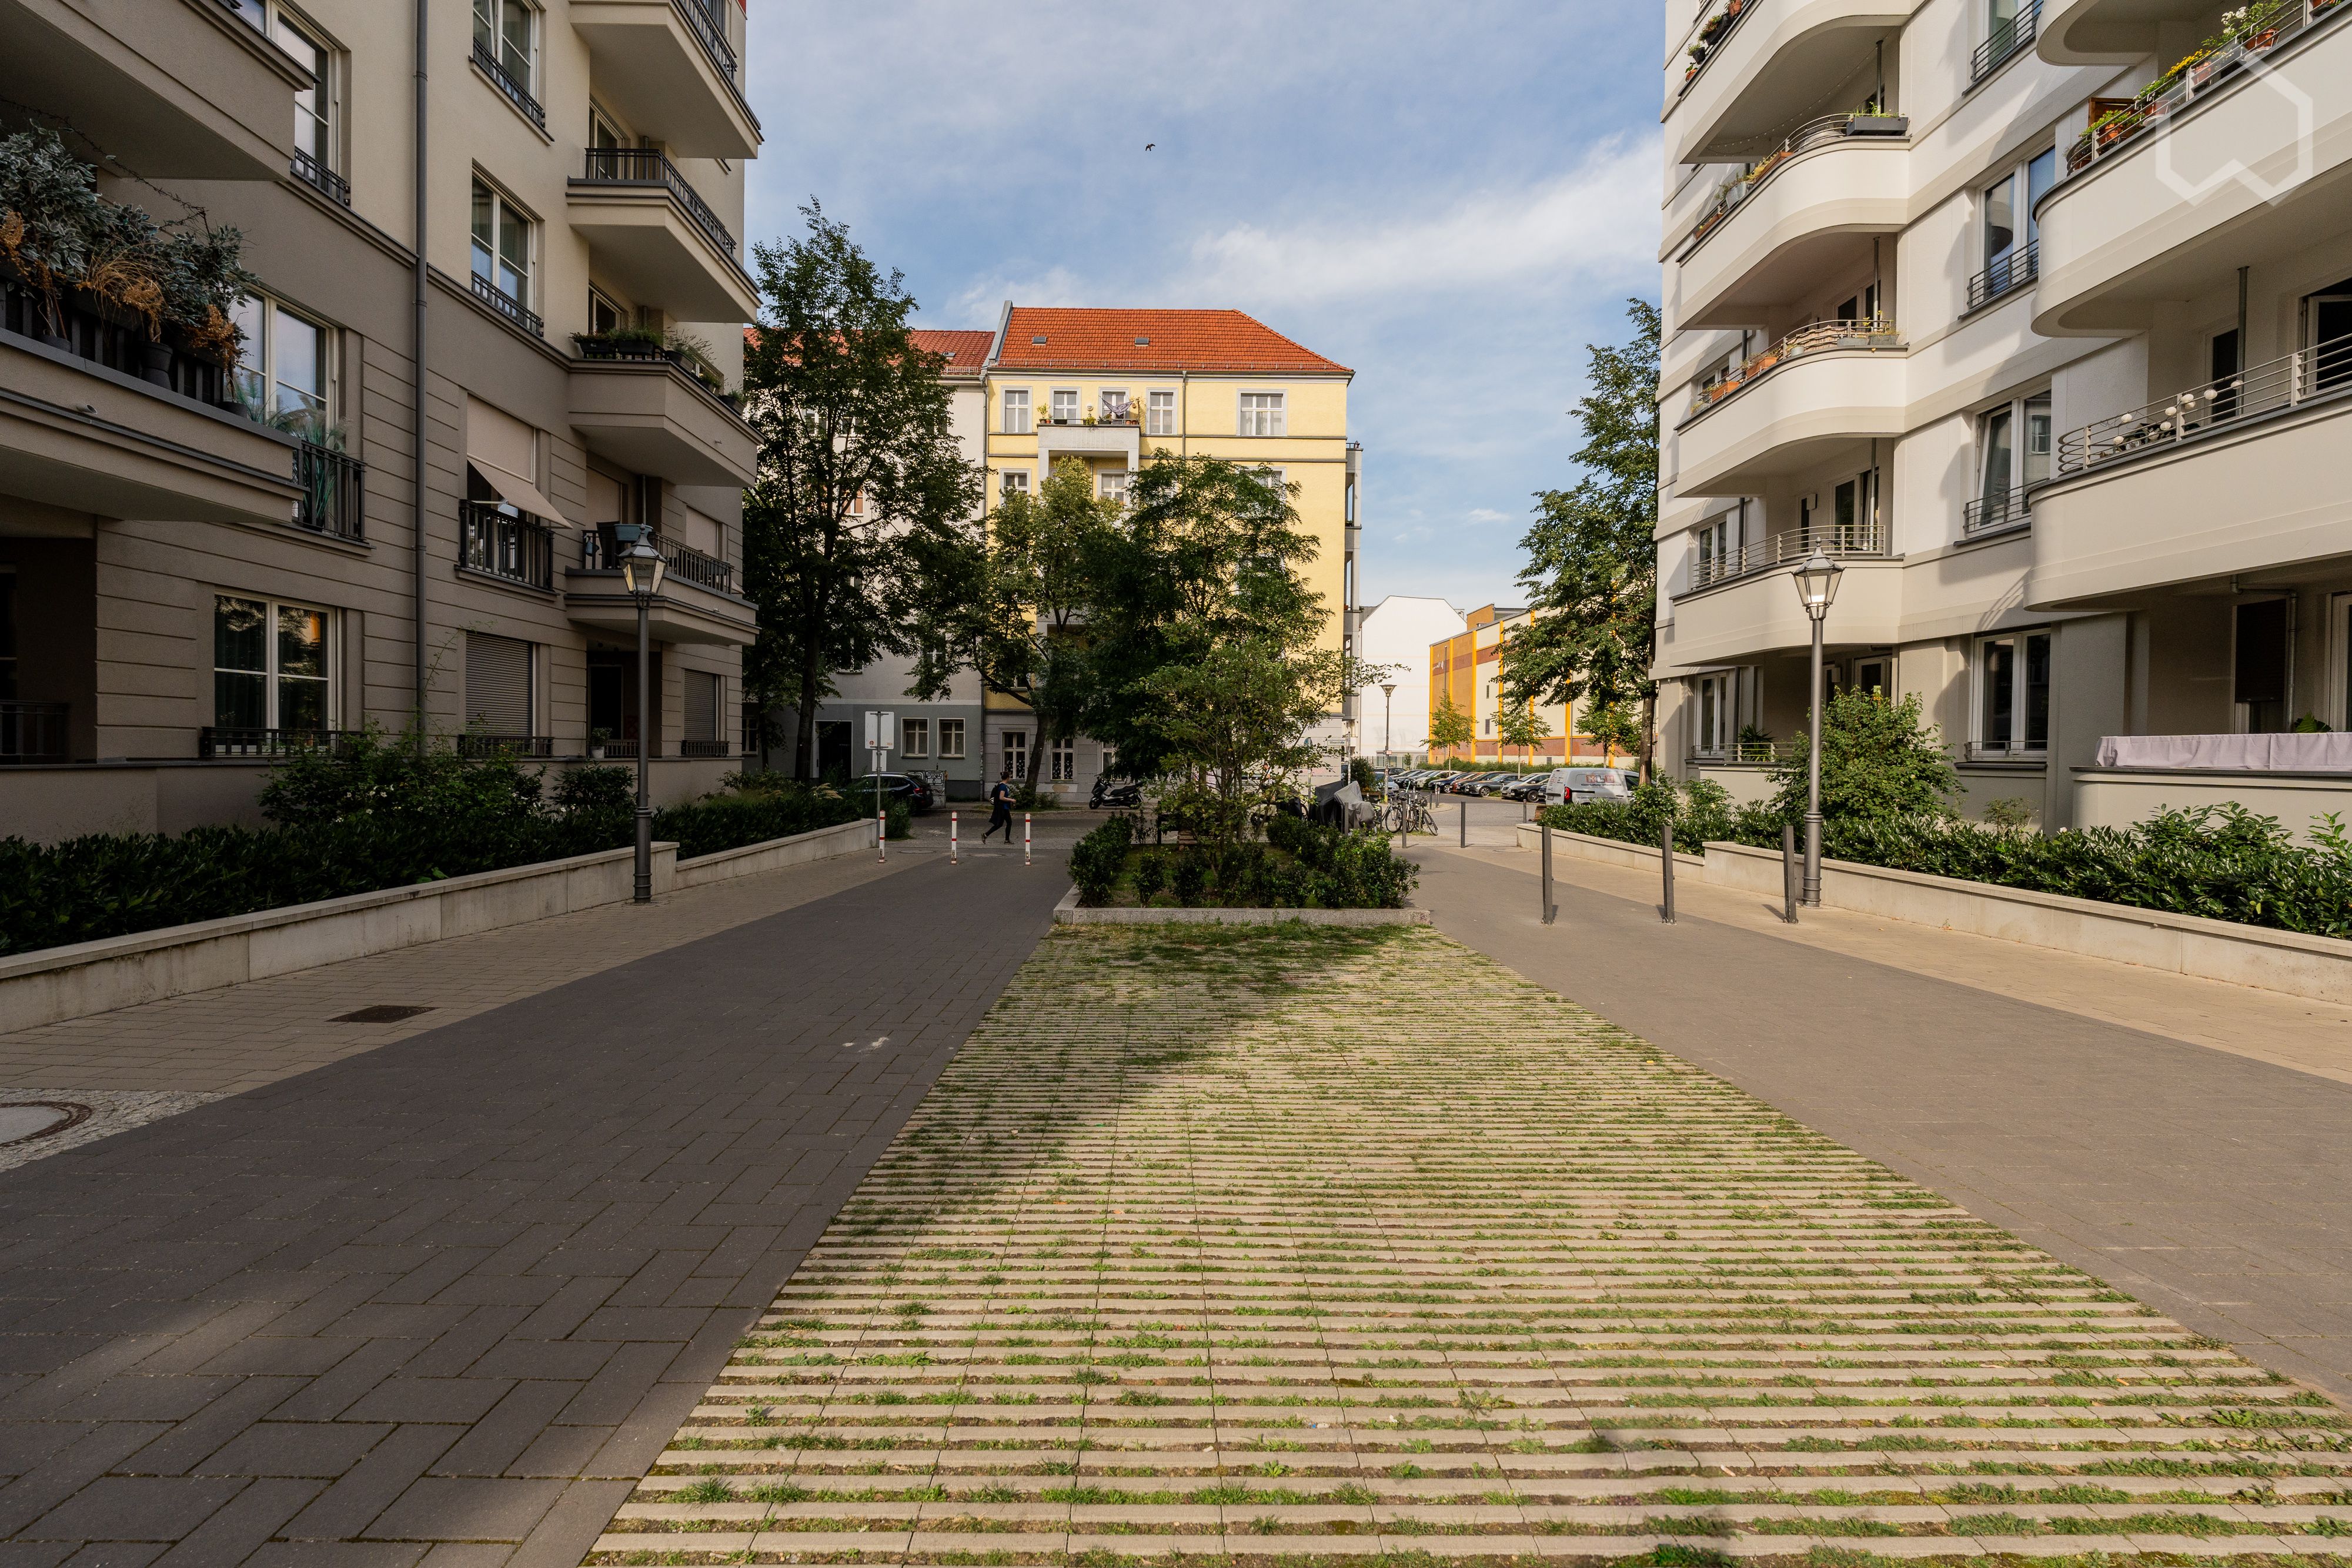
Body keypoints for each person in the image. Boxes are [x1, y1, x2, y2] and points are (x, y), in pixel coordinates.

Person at [982, 770, 1017, 842]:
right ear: (1007, 778)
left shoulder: (1000, 785)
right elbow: (1001, 798)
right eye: (1009, 777)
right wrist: (1011, 800)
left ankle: (985, 835)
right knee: (1009, 823)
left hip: (1001, 807)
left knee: (999, 824)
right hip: (1003, 808)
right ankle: (1007, 840)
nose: (1010, 778)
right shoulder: (1003, 787)